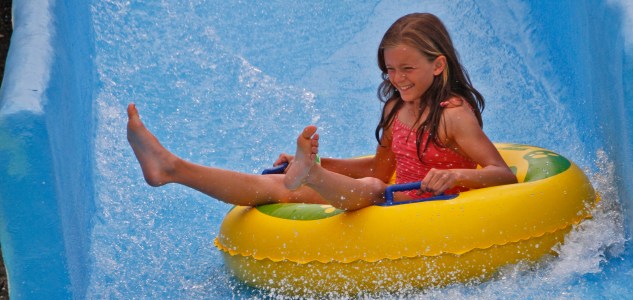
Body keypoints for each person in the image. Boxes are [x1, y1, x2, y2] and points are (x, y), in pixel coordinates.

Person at [127, 13, 516, 211]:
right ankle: (171, 168)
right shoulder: (398, 107)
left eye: (407, 68)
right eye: (390, 70)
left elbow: (504, 175)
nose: (396, 78)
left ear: (438, 65)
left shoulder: (454, 115)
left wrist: (454, 175)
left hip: (437, 213)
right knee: (274, 188)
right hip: (389, 200)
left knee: (376, 192)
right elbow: (379, 169)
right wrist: (325, 162)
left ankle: (311, 173)